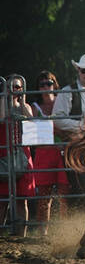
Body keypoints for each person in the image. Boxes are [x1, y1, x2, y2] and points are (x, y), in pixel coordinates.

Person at [52, 52, 85, 211]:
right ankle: (77, 224)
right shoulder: (67, 92)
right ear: (78, 71)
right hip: (76, 147)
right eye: (84, 71)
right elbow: (57, 118)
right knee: (78, 188)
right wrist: (80, 126)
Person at [30, 71, 70, 235]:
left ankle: (65, 230)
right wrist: (57, 130)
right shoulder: (35, 107)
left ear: (55, 85)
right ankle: (43, 232)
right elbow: (31, 132)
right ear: (38, 88)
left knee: (65, 195)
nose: (46, 87)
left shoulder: (63, 103)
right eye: (42, 84)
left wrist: (54, 130)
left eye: (49, 83)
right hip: (44, 153)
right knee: (44, 198)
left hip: (62, 152)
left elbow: (68, 127)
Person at [0, 75, 35, 236]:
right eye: (11, 86)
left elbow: (33, 123)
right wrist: (4, 96)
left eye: (18, 87)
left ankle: (22, 236)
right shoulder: (2, 106)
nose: (14, 90)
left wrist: (21, 102)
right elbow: (2, 118)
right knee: (2, 201)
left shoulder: (25, 106)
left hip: (23, 156)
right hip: (4, 155)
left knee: (22, 200)